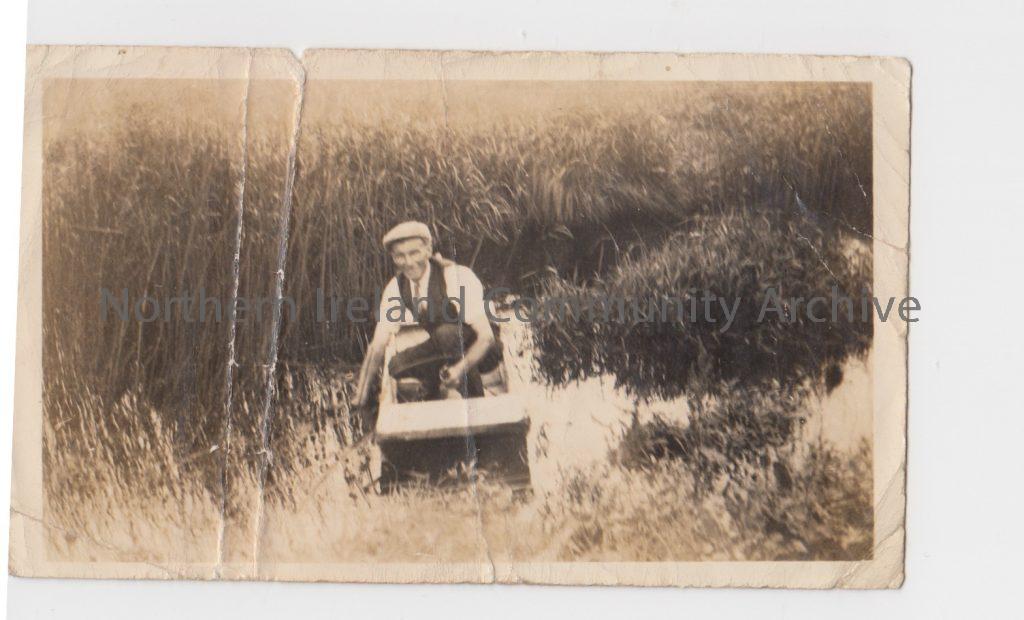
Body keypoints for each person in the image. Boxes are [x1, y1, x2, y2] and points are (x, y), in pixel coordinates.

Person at [352, 221, 500, 407]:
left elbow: (486, 338)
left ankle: (476, 402)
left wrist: (459, 369)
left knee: (447, 334)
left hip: (484, 353)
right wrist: (361, 394)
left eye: (414, 253)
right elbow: (377, 345)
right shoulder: (396, 288)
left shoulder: (456, 277)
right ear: (393, 258)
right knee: (396, 366)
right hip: (444, 346)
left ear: (428, 250)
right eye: (400, 256)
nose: (408, 262)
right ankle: (436, 383)